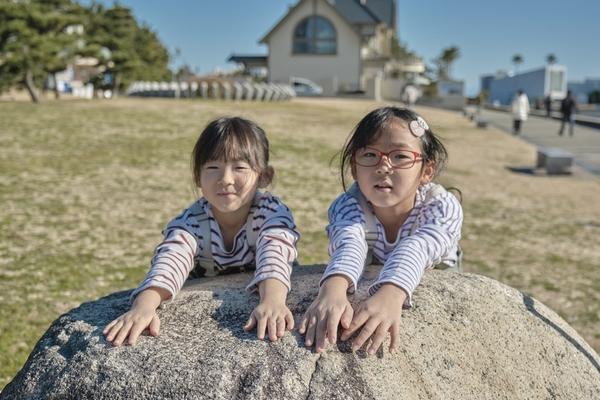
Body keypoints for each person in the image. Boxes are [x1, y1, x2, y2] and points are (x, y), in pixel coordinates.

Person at [103, 117, 300, 346]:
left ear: (264, 176)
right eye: (213, 168)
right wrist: (144, 306)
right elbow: (171, 259)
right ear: (198, 176)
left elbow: (275, 252)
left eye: (239, 167)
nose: (225, 179)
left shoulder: (272, 213)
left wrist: (273, 301)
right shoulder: (192, 221)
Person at [299, 107, 463, 354]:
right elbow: (349, 242)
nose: (383, 166)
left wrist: (392, 293)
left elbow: (419, 245)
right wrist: (333, 289)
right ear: (354, 168)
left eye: (400, 156)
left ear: (427, 171)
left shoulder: (441, 206)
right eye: (369, 154)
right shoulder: (349, 205)